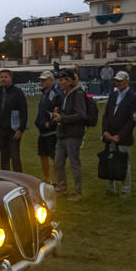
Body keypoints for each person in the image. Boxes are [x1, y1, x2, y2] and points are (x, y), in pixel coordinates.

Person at [102, 70, 136, 197]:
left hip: (124, 137)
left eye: (120, 81)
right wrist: (105, 131)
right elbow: (106, 114)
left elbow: (133, 119)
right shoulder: (113, 95)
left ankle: (125, 190)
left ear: (127, 81)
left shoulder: (134, 98)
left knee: (124, 164)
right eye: (116, 81)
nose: (118, 83)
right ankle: (110, 187)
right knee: (109, 161)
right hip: (109, 135)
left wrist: (120, 135)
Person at [53, 69, 87, 201]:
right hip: (63, 134)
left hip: (73, 134)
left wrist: (62, 118)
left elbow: (81, 115)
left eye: (62, 80)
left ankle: (78, 192)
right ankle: (62, 189)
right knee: (58, 162)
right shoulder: (65, 94)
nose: (59, 82)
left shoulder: (78, 94)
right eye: (59, 80)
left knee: (74, 163)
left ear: (70, 81)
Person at [35, 71, 62, 183]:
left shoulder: (56, 93)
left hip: (52, 132)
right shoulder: (44, 93)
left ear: (51, 80)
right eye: (41, 80)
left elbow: (58, 111)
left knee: (54, 157)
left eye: (44, 80)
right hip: (42, 131)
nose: (42, 82)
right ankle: (46, 178)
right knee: (43, 155)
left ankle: (57, 180)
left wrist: (49, 124)